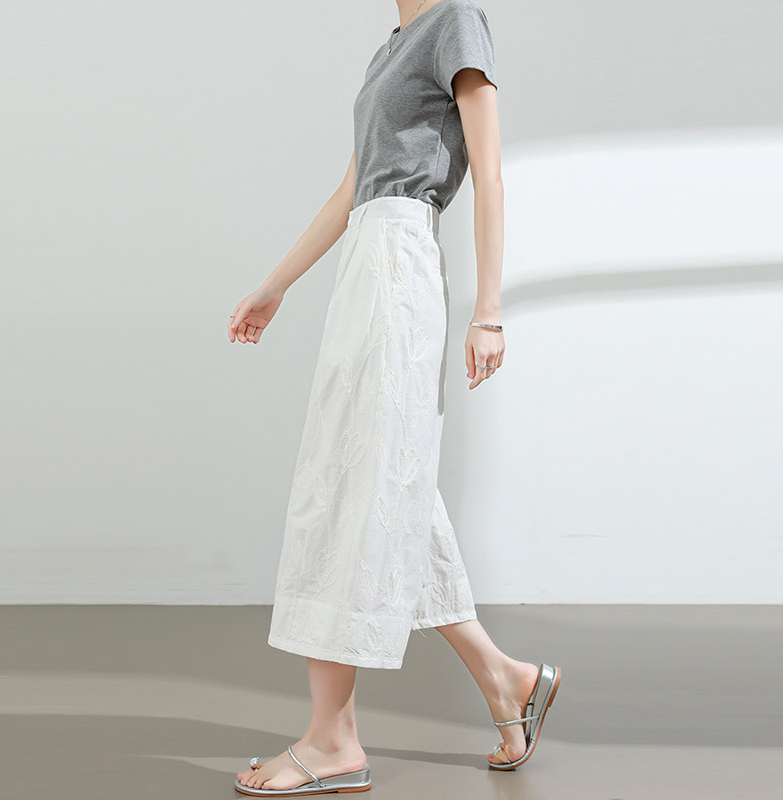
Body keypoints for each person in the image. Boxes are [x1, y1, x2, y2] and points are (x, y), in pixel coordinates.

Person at [227, 1, 561, 795]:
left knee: (352, 481)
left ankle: (333, 740)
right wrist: (276, 285)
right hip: (367, 263)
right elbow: (353, 187)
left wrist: (489, 311)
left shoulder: (457, 20)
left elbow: (489, 171)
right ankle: (508, 679)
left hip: (401, 264)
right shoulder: (391, 49)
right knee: (390, 482)